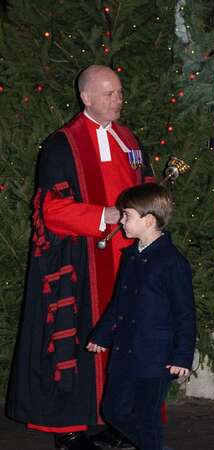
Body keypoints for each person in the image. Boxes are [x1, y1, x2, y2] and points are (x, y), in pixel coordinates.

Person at [6, 64, 154, 450]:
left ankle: (111, 419)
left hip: (126, 260)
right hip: (82, 260)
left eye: (120, 92)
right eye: (109, 93)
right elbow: (49, 210)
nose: (118, 99)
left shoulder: (128, 140)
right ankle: (68, 429)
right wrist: (101, 215)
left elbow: (146, 186)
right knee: (78, 343)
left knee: (120, 342)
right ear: (86, 97)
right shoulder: (62, 144)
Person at [85, 183, 195, 450]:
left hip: (156, 357)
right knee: (113, 410)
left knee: (148, 419)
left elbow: (185, 314)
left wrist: (182, 356)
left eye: (127, 216)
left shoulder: (172, 262)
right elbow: (119, 302)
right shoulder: (131, 256)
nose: (121, 221)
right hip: (125, 351)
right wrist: (102, 334)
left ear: (148, 221)